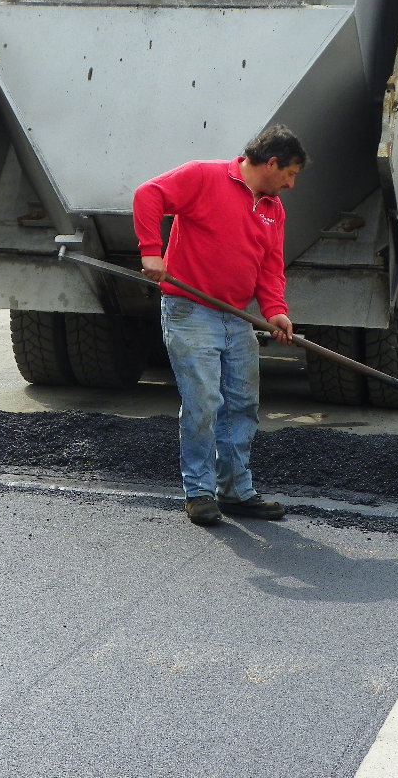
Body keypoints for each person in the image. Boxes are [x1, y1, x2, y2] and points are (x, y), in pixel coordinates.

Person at [133, 124, 308, 525]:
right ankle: (199, 492)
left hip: (237, 317)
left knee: (242, 405)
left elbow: (270, 268)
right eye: (290, 174)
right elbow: (148, 194)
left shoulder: (273, 209)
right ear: (272, 163)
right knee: (203, 403)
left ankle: (236, 491)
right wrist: (151, 252)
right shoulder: (203, 176)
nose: (291, 184)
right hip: (191, 311)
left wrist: (275, 310)